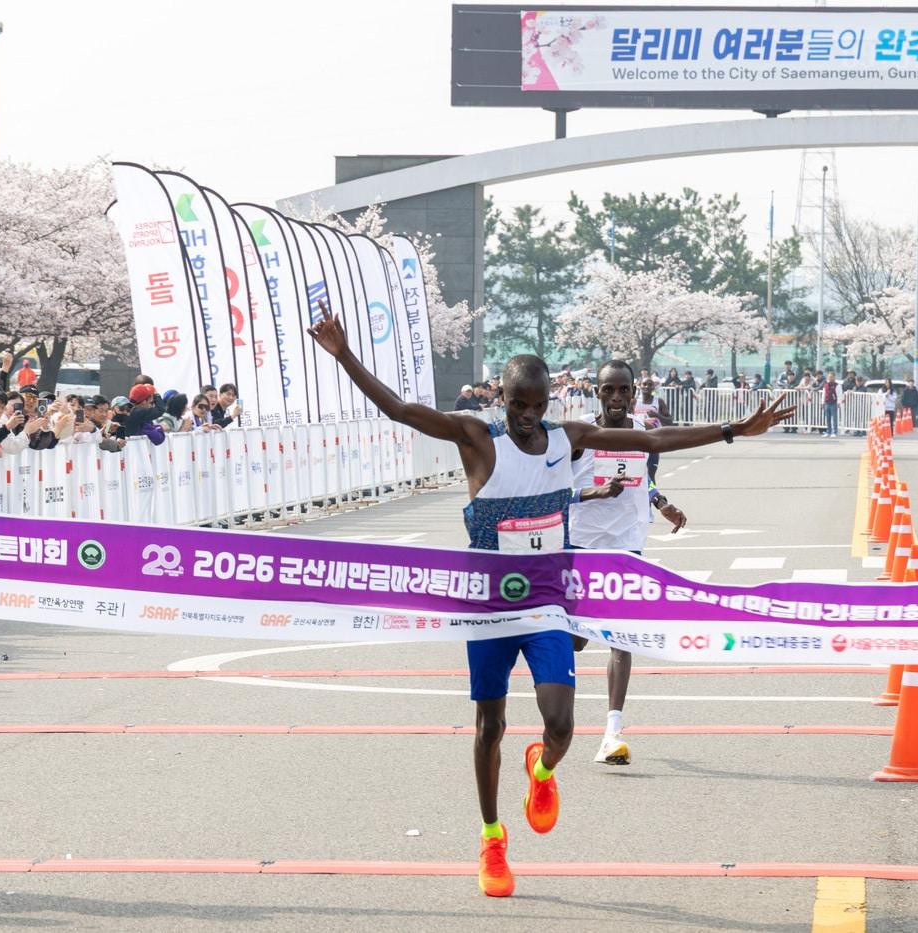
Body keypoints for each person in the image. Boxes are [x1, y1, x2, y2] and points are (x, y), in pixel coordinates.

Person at [306, 308, 793, 899]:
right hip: (487, 607)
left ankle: (542, 770)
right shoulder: (477, 437)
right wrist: (344, 354)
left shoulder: (569, 438)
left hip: (545, 605)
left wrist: (734, 429)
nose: (529, 419)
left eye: (537, 407)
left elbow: (651, 439)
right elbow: (401, 412)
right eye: (519, 406)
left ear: (549, 404)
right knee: (490, 728)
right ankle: (491, 837)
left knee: (560, 725)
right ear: (502, 399)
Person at [568, 360, 687, 768]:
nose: (616, 397)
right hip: (581, 544)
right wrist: (591, 494)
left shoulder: (643, 435)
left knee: (622, 636)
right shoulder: (577, 434)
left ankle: (612, 732)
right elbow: (551, 489)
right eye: (608, 390)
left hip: (626, 544)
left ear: (634, 393)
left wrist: (661, 502)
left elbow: (645, 477)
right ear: (596, 392)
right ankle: (558, 718)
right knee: (576, 640)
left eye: (623, 390)